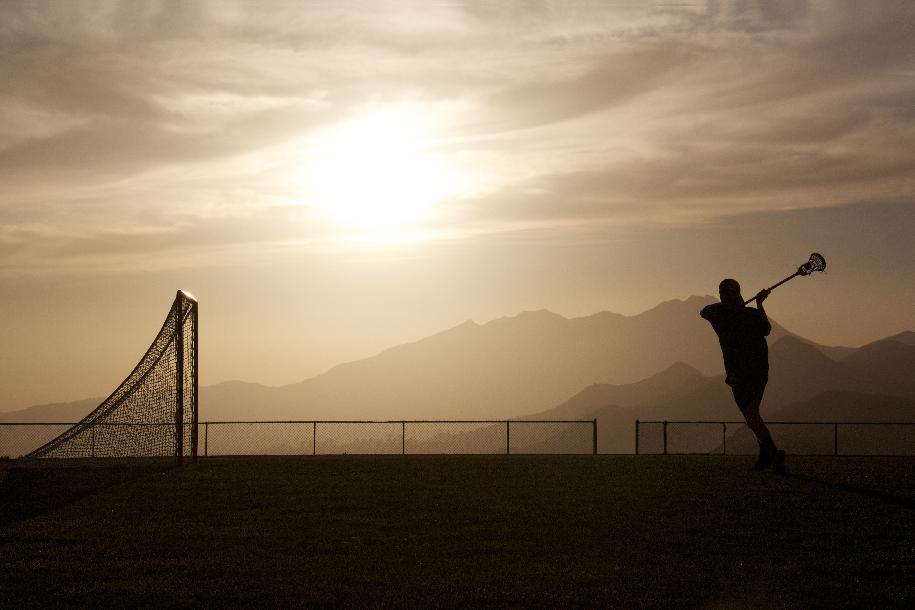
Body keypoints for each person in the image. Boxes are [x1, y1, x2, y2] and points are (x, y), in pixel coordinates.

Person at [701, 279, 785, 474]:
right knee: (752, 416)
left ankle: (773, 453)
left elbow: (705, 311)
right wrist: (758, 304)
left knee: (751, 415)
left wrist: (748, 306)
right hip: (755, 371)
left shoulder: (721, 317)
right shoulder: (742, 315)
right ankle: (766, 456)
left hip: (743, 374)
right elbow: (766, 329)